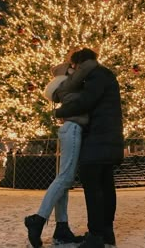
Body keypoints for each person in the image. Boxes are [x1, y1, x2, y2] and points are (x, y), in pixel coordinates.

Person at [54, 48, 124, 248]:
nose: (74, 70)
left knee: (93, 186)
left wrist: (60, 111)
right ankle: (106, 233)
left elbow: (86, 101)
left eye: (74, 66)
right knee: (105, 184)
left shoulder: (96, 75)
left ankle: (96, 236)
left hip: (98, 138)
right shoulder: (104, 74)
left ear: (81, 63)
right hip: (107, 138)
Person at [24, 59, 97, 248]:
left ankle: (61, 229)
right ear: (68, 70)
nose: (76, 68)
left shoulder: (67, 85)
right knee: (65, 178)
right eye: (73, 66)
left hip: (70, 129)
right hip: (72, 129)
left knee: (63, 180)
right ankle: (38, 219)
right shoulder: (70, 84)